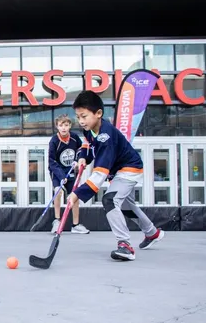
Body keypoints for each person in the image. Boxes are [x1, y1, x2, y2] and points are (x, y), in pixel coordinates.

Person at [67, 91, 164, 261]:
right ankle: (152, 232)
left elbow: (100, 173)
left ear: (98, 114)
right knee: (126, 207)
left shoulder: (106, 135)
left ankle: (125, 245)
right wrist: (82, 157)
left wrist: (77, 194)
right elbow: (88, 146)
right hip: (118, 171)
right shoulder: (90, 130)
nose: (81, 121)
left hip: (129, 169)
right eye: (78, 117)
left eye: (84, 116)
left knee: (110, 200)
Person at [48, 114, 90, 234]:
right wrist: (61, 176)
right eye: (61, 125)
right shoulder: (54, 141)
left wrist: (78, 160)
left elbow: (81, 150)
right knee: (58, 191)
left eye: (66, 125)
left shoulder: (75, 138)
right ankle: (56, 221)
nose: (64, 128)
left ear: (70, 126)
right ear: (57, 127)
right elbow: (51, 162)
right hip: (57, 171)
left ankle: (75, 225)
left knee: (75, 196)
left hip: (71, 170)